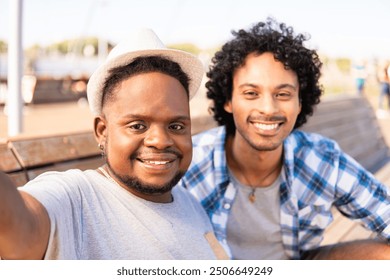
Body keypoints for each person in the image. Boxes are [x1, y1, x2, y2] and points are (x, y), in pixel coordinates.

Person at [0, 28, 227, 260]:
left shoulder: (189, 203)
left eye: (176, 127)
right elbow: (19, 226)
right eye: (138, 125)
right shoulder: (76, 199)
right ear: (102, 131)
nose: (160, 141)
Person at [178, 18, 390, 260]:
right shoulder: (192, 161)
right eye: (251, 93)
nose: (268, 108)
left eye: (283, 94)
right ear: (228, 100)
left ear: (300, 102)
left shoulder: (322, 159)